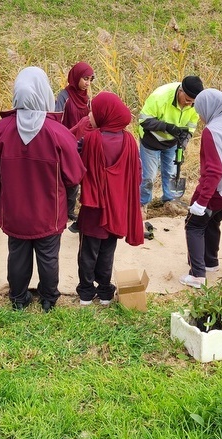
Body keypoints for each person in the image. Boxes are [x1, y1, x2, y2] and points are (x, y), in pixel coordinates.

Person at [0, 66, 86, 312]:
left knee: (17, 254)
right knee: (48, 256)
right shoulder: (58, 133)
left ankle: (18, 299)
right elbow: (74, 176)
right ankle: (49, 299)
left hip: (14, 211)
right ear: (44, 92)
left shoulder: (0, 131)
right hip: (49, 211)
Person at [76, 91, 144, 305]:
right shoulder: (130, 141)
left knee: (88, 252)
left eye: (93, 110)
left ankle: (86, 293)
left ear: (104, 113)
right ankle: (105, 292)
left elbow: (76, 166)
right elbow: (138, 175)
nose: (89, 114)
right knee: (107, 251)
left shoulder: (91, 139)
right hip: (117, 207)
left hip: (93, 207)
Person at [180, 88, 222, 289]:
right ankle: (210, 261)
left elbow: (214, 171)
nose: (200, 116)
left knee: (193, 224)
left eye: (200, 110)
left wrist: (201, 202)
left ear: (209, 108)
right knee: (212, 222)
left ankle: (197, 275)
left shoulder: (212, 131)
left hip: (220, 190)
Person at [137, 76, 203, 207]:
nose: (189, 104)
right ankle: (142, 204)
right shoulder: (160, 96)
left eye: (192, 102)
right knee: (148, 177)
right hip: (151, 139)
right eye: (187, 100)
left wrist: (182, 146)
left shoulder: (195, 104)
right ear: (180, 91)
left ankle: (169, 202)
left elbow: (190, 128)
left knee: (171, 173)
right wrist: (166, 126)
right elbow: (143, 120)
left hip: (173, 142)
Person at [55, 61, 95, 223]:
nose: (88, 83)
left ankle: (69, 212)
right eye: (85, 78)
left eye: (90, 79)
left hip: (81, 143)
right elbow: (57, 119)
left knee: (75, 179)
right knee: (63, 179)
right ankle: (59, 211)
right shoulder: (64, 96)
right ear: (76, 77)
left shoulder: (87, 98)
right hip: (65, 143)